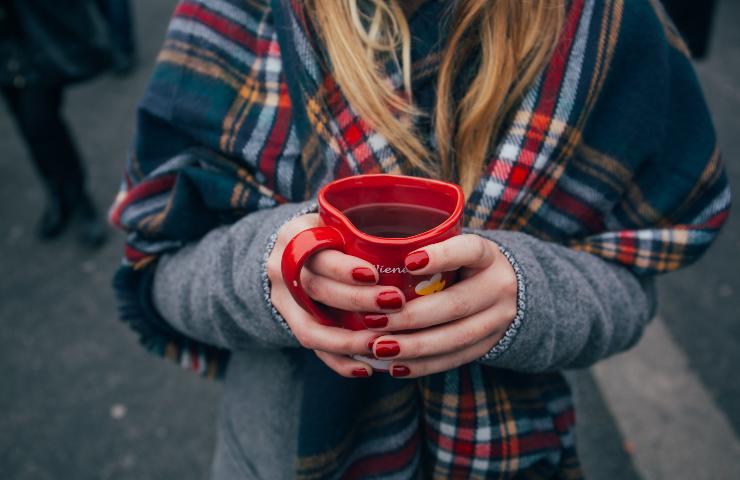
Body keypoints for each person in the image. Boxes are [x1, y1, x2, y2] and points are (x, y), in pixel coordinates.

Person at [109, 0, 730, 478]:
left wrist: (529, 296)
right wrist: (273, 269)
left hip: (507, 456)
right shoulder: (238, 12)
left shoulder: (603, 25)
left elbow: (631, 283)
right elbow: (160, 271)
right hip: (279, 456)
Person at [1, 0, 108, 246]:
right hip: (5, 49)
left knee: (42, 121)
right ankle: (57, 194)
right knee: (28, 128)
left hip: (35, 38)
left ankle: (80, 199)